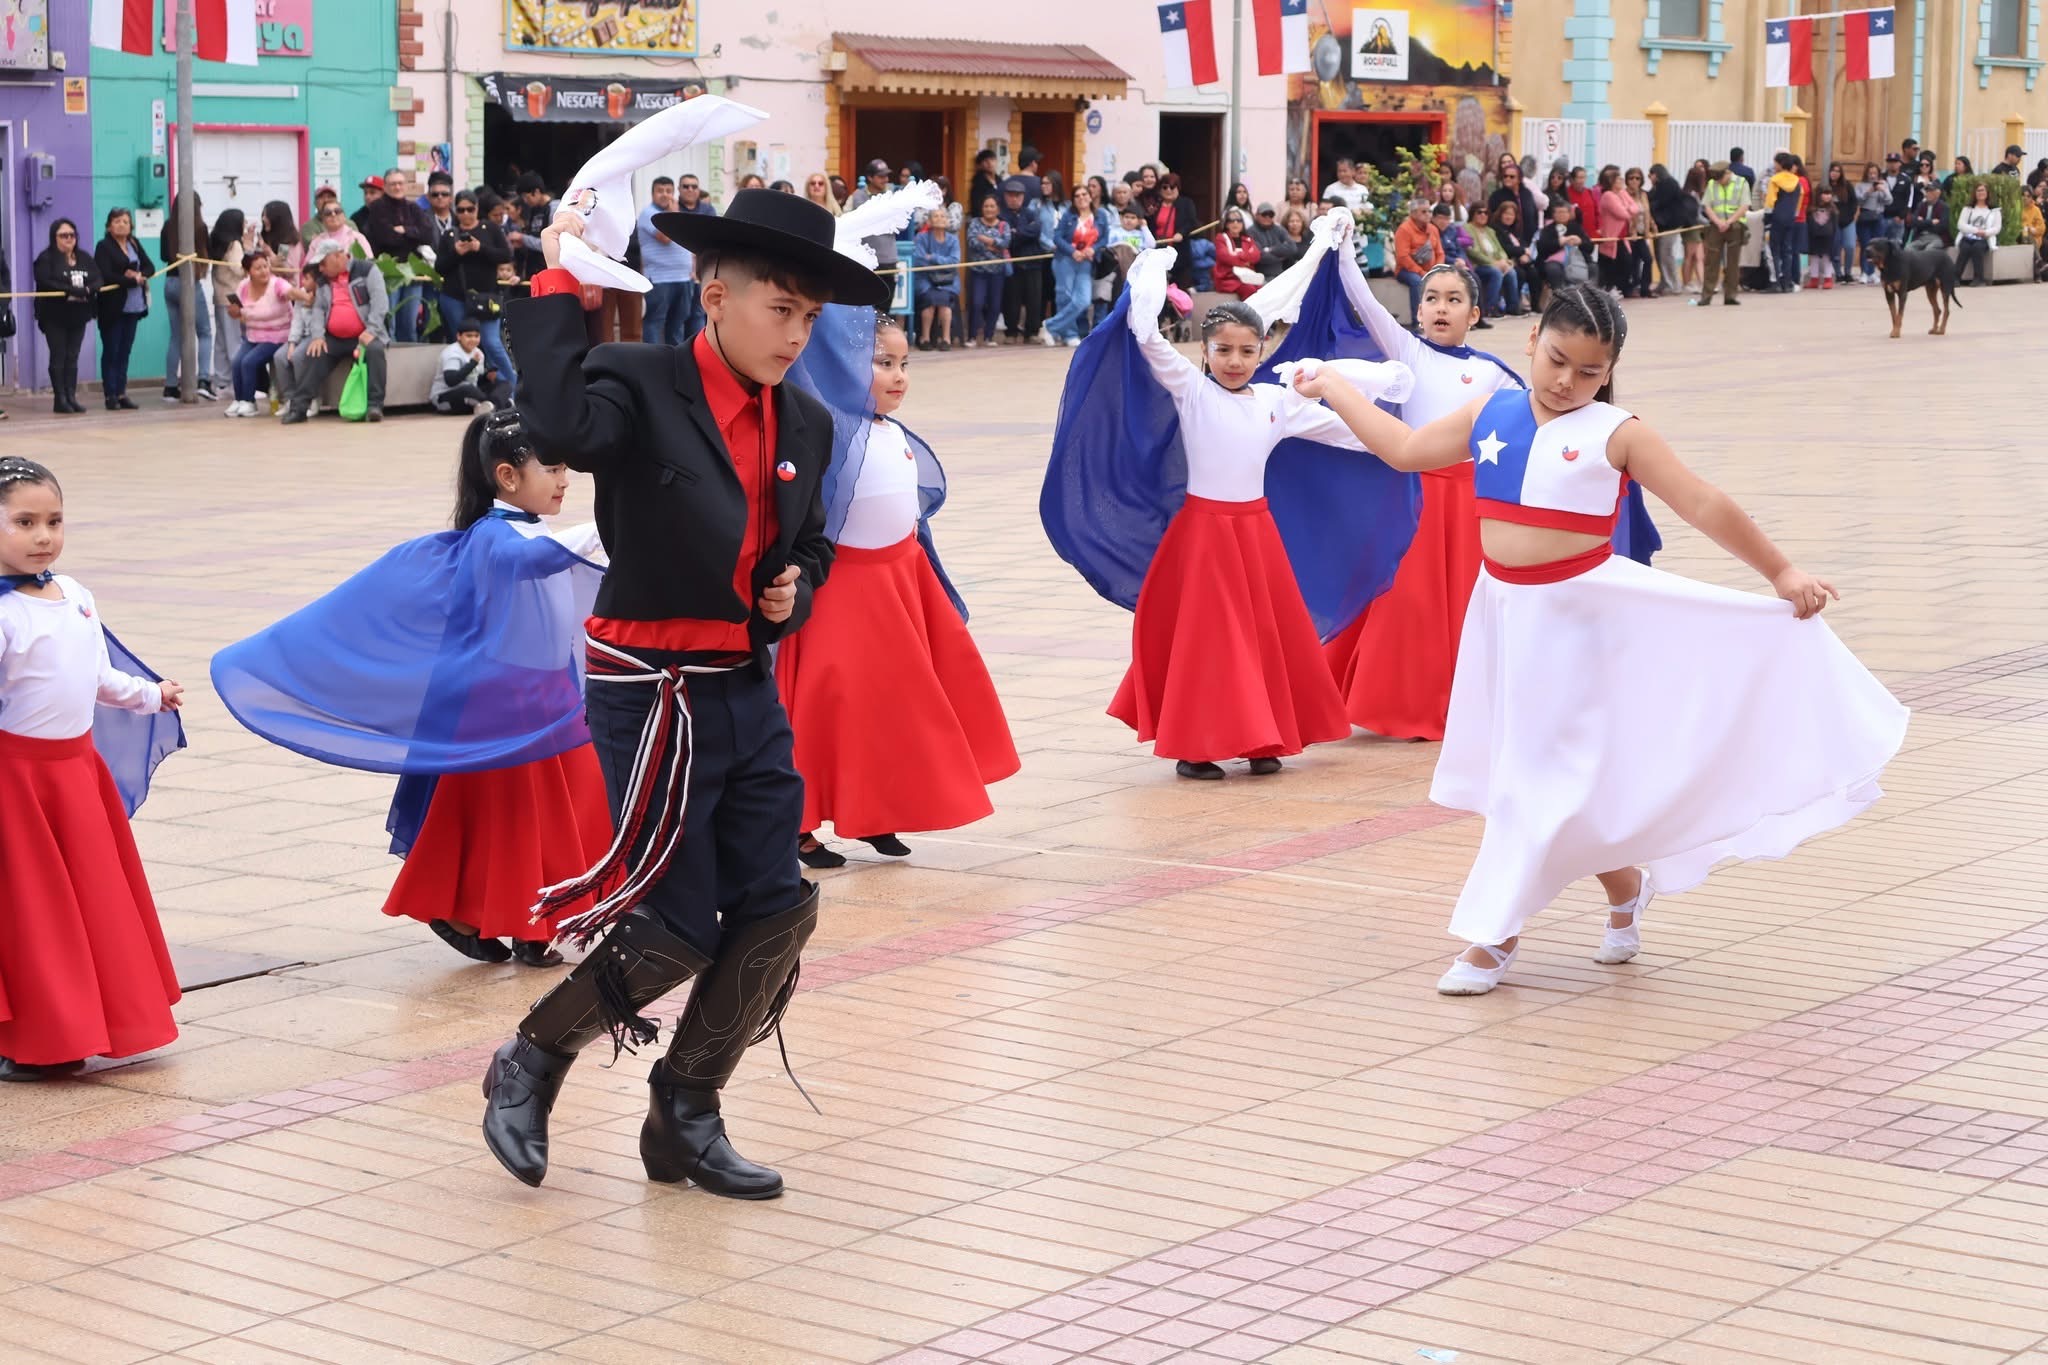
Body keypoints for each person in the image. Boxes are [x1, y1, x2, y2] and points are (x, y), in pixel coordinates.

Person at [1300, 285, 1905, 994]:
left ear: (1610, 368)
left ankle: (1493, 939)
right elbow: (1403, 450)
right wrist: (1336, 385)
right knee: (1535, 780)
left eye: (1589, 371)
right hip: (1503, 616)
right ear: (1531, 342)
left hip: (1583, 623)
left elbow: (1702, 500)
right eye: (1557, 360)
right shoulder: (1487, 411)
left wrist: (1781, 569)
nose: (1567, 382)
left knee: (1535, 781)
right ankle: (1626, 887)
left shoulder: (1618, 432)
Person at [475, 175, 893, 1198]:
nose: (796, 333)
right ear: (713, 293)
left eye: (810, 314)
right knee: (675, 921)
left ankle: (685, 1110)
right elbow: (564, 423)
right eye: (779, 308)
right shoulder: (637, 381)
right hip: (649, 689)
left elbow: (810, 549)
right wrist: (558, 276)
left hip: (743, 687)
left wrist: (793, 585)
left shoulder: (805, 421)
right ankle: (533, 1055)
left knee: (777, 910)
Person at [212, 411, 612, 970]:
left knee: (568, 806)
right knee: (517, 821)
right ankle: (518, 922)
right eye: (552, 467)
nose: (565, 479)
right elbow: (532, 560)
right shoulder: (494, 538)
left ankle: (534, 918)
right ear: (508, 476)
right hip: (505, 706)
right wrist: (609, 524)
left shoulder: (533, 530)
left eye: (567, 467)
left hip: (548, 696)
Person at [1067, 249, 1406, 780]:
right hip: (1203, 535)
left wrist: (1408, 443)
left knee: (1259, 634)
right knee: (1209, 638)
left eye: (1247, 351)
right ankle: (1196, 744)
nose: (1234, 360)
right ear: (1204, 350)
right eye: (1223, 349)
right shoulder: (1191, 390)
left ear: (1263, 351)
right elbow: (1147, 337)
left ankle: (1260, 736)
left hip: (1255, 533)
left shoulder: (1277, 401)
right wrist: (1150, 273)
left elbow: (1350, 432)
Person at [783, 319, 1017, 869]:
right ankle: (798, 824)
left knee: (895, 704)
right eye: (882, 362)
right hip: (846, 588)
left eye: (904, 364)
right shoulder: (832, 425)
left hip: (902, 582)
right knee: (829, 702)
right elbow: (805, 363)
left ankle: (878, 810)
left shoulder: (893, 432)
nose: (898, 376)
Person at [1319, 251, 1564, 742]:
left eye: (1454, 300)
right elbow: (1365, 304)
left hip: (1469, 502)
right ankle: (1398, 702)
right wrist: (1342, 252)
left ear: (1474, 314)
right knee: (1406, 600)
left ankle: (1464, 703)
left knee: (1462, 601)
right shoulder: (1408, 352)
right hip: (1412, 495)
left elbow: (1538, 412)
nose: (1440, 308)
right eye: (1431, 298)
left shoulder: (1493, 372)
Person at [0, 457, 184, 1078]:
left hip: (76, 776)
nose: (43, 535)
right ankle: (40, 1034)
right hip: (16, 784)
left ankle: (97, 1016)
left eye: (53, 520)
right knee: (32, 911)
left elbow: (96, 673)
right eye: (24, 521)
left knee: (91, 903)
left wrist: (148, 693)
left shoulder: (75, 594)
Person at [280, 239, 389, 424]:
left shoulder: (367, 270)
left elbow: (380, 303)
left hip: (364, 334)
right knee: (314, 353)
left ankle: (374, 406)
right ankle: (299, 408)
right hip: (335, 338)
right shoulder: (324, 281)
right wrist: (318, 336)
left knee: (375, 351)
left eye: (323, 263)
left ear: (338, 256)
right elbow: (319, 310)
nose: (320, 269)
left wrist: (372, 330)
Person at [435, 189, 517, 397]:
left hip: (486, 299)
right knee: (465, 345)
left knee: (491, 342)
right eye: (461, 210)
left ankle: (516, 388)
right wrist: (456, 252)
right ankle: (489, 389)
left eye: (470, 209)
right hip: (455, 298)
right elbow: (440, 266)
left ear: (477, 208)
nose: (465, 214)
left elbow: (505, 255)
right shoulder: (450, 234)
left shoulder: (489, 228)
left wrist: (480, 247)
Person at [31, 219, 100, 416]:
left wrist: (87, 289)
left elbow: (98, 278)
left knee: (73, 356)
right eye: (63, 235)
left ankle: (71, 396)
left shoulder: (84, 257)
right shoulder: (46, 258)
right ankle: (59, 398)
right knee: (58, 355)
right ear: (55, 238)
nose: (69, 239)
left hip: (78, 314)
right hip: (54, 315)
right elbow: (45, 281)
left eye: (72, 235)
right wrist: (72, 289)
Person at [222, 250, 302, 417]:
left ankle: (250, 403)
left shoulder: (277, 284)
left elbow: (290, 292)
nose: (264, 271)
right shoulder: (243, 286)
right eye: (258, 268)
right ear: (248, 271)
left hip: (278, 336)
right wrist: (234, 311)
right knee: (237, 361)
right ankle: (240, 399)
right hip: (253, 335)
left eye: (266, 266)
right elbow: (236, 313)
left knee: (249, 362)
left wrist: (302, 294)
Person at [364, 168, 436, 342]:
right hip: (389, 274)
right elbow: (386, 238)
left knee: (409, 325)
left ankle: (408, 365)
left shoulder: (413, 208)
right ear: (386, 187)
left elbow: (428, 235)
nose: (397, 187)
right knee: (390, 323)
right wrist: (413, 235)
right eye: (392, 184)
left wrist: (405, 230)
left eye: (400, 183)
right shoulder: (377, 208)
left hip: (413, 275)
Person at [93, 207, 154, 412]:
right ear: (109, 226)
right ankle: (110, 395)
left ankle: (121, 392)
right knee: (112, 350)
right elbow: (105, 274)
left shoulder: (134, 243)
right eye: (117, 221)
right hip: (112, 307)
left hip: (134, 306)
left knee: (125, 351)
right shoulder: (103, 246)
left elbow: (149, 267)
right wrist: (129, 279)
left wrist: (139, 275)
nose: (121, 224)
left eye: (125, 221)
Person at [159, 191, 215, 402]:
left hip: (170, 282)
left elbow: (164, 255)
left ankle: (171, 386)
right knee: (205, 332)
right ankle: (202, 381)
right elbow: (207, 253)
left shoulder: (167, 225)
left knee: (176, 336)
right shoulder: (199, 227)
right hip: (190, 282)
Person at [636, 177, 697, 347]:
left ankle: (674, 362)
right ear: (652, 194)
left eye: (669, 191)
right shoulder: (649, 213)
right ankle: (653, 362)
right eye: (660, 191)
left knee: (677, 324)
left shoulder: (675, 214)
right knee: (655, 322)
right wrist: (674, 214)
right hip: (660, 279)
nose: (665, 195)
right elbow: (665, 237)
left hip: (683, 278)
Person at [999, 176, 1048, 342]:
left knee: (1034, 298)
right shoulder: (1001, 216)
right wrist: (1021, 233)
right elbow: (1008, 238)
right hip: (1013, 263)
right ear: (1005, 196)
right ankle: (1011, 332)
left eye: (1018, 195)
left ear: (1023, 197)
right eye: (1011, 195)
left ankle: (1031, 332)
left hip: (1033, 261)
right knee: (1012, 299)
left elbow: (1036, 231)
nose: (1014, 199)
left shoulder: (1031, 213)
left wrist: (1017, 232)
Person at [205, 209, 248, 392]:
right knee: (235, 341)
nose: (245, 225)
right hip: (233, 298)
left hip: (219, 296)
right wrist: (248, 248)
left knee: (222, 340)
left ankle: (221, 381)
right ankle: (237, 383)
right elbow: (240, 270)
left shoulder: (216, 242)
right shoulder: (234, 244)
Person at [1696, 161, 1749, 306]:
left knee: (1733, 263)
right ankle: (1706, 295)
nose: (1719, 181)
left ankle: (1730, 296)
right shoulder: (1713, 184)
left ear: (1727, 173)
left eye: (1721, 178)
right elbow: (1707, 205)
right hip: (1715, 226)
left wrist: (1729, 221)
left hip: (1735, 226)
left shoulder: (1741, 182)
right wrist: (1718, 222)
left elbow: (1744, 205)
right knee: (1711, 262)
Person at [964, 194, 1011, 348]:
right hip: (978, 271)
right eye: (986, 206)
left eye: (992, 206)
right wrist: (994, 246)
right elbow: (972, 241)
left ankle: (988, 336)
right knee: (977, 303)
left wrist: (986, 240)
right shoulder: (975, 222)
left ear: (998, 208)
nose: (989, 209)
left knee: (995, 305)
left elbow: (1005, 243)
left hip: (997, 272)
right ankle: (971, 336)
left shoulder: (1004, 224)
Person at [429, 319, 504, 413]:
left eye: (476, 336)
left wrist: (486, 377)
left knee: (503, 384)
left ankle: (491, 405)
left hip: (471, 393)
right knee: (468, 389)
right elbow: (451, 381)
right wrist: (472, 363)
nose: (473, 339)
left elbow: (474, 379)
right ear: (459, 336)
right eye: (469, 336)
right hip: (445, 396)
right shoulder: (452, 353)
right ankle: (497, 405)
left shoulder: (478, 353)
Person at [913, 212, 962, 350]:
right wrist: (941, 264)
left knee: (944, 301)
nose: (940, 218)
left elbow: (954, 261)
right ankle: (925, 338)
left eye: (943, 216)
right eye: (936, 216)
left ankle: (946, 339)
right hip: (925, 279)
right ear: (929, 220)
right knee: (930, 300)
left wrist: (933, 258)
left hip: (947, 280)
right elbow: (918, 259)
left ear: (947, 221)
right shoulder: (921, 237)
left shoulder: (953, 240)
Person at [1393, 198, 1443, 323]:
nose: (1428, 215)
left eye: (1429, 212)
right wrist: (1421, 272)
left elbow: (1440, 253)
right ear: (1413, 214)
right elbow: (1403, 257)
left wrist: (1436, 270)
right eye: (1424, 212)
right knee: (1418, 282)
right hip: (1406, 270)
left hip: (1429, 269)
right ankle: (1418, 321)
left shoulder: (1433, 229)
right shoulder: (1404, 229)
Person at [1149, 173, 1199, 291]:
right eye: (1165, 187)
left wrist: (1181, 233)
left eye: (1172, 187)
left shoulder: (1186, 203)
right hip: (1159, 253)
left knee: (1180, 291)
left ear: (1178, 188)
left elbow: (1192, 222)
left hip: (1179, 253)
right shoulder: (1155, 205)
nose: (1169, 190)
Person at [1491, 199, 1539, 314]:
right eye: (1506, 214)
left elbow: (1522, 243)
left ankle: (1535, 306)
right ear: (1500, 214)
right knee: (1520, 273)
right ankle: (1513, 305)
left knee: (1534, 272)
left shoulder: (1515, 229)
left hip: (1518, 259)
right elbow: (1505, 248)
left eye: (1511, 214)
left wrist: (1524, 254)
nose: (1509, 217)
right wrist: (1522, 251)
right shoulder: (1496, 229)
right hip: (1506, 260)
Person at [1463, 204, 1511, 318]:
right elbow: (1473, 252)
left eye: (1486, 213)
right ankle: (1490, 308)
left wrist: (1504, 261)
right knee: (1495, 273)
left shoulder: (1490, 231)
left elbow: (1500, 249)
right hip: (1478, 265)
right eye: (1479, 212)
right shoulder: (1467, 228)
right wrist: (1492, 263)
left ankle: (1512, 308)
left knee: (1512, 273)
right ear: (1473, 214)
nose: (1483, 215)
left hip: (1496, 263)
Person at [1211, 207, 1263, 302]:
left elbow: (1256, 256)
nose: (1235, 223)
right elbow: (1225, 257)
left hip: (1247, 276)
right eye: (1231, 220)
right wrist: (1245, 260)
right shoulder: (1221, 238)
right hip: (1227, 278)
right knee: (1249, 289)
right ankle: (1247, 316)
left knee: (1260, 289)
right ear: (1226, 224)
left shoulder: (1248, 239)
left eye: (1239, 220)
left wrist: (1238, 256)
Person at [1956, 181, 2001, 285]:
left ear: (1987, 192)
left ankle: (1979, 279)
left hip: (1985, 238)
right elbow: (1961, 225)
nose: (1980, 193)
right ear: (1974, 193)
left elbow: (1997, 227)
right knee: (1965, 248)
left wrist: (1984, 232)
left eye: (1983, 190)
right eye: (1978, 190)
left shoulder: (1994, 210)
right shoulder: (1968, 208)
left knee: (1977, 248)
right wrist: (1976, 231)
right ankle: (1955, 278)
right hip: (1969, 236)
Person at [1853, 163, 1891, 282]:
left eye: (1875, 173)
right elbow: (1858, 200)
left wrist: (1883, 190)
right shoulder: (1860, 185)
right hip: (1865, 216)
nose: (1873, 176)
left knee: (1877, 246)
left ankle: (1873, 272)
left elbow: (1889, 200)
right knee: (1865, 245)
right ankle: (1864, 272)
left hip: (1878, 216)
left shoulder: (1883, 184)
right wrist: (1869, 191)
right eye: (1870, 173)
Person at [1248, 202, 1297, 279]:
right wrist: (1281, 256)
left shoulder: (1279, 229)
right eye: (1264, 214)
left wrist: (1270, 249)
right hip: (1260, 276)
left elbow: (1292, 248)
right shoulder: (1251, 231)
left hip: (1280, 274)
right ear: (1256, 215)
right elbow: (1260, 256)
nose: (1267, 217)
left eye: (1271, 215)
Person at [1804, 187, 1840, 289]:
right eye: (1825, 193)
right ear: (1819, 195)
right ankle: (1814, 279)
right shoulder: (1811, 210)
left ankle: (1828, 279)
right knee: (1814, 258)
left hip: (1828, 237)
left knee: (1827, 258)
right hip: (1814, 237)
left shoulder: (1833, 210)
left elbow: (1835, 226)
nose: (1828, 196)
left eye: (1829, 194)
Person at [258, 199, 304, 277]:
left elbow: (289, 271)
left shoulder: (288, 242)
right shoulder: (267, 237)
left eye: (266, 216)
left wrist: (270, 253)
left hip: (286, 287)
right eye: (263, 215)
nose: (263, 219)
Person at [968, 150, 1001, 216]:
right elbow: (976, 206)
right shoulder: (978, 183)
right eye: (986, 161)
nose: (990, 163)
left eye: (992, 160)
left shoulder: (999, 180)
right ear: (980, 165)